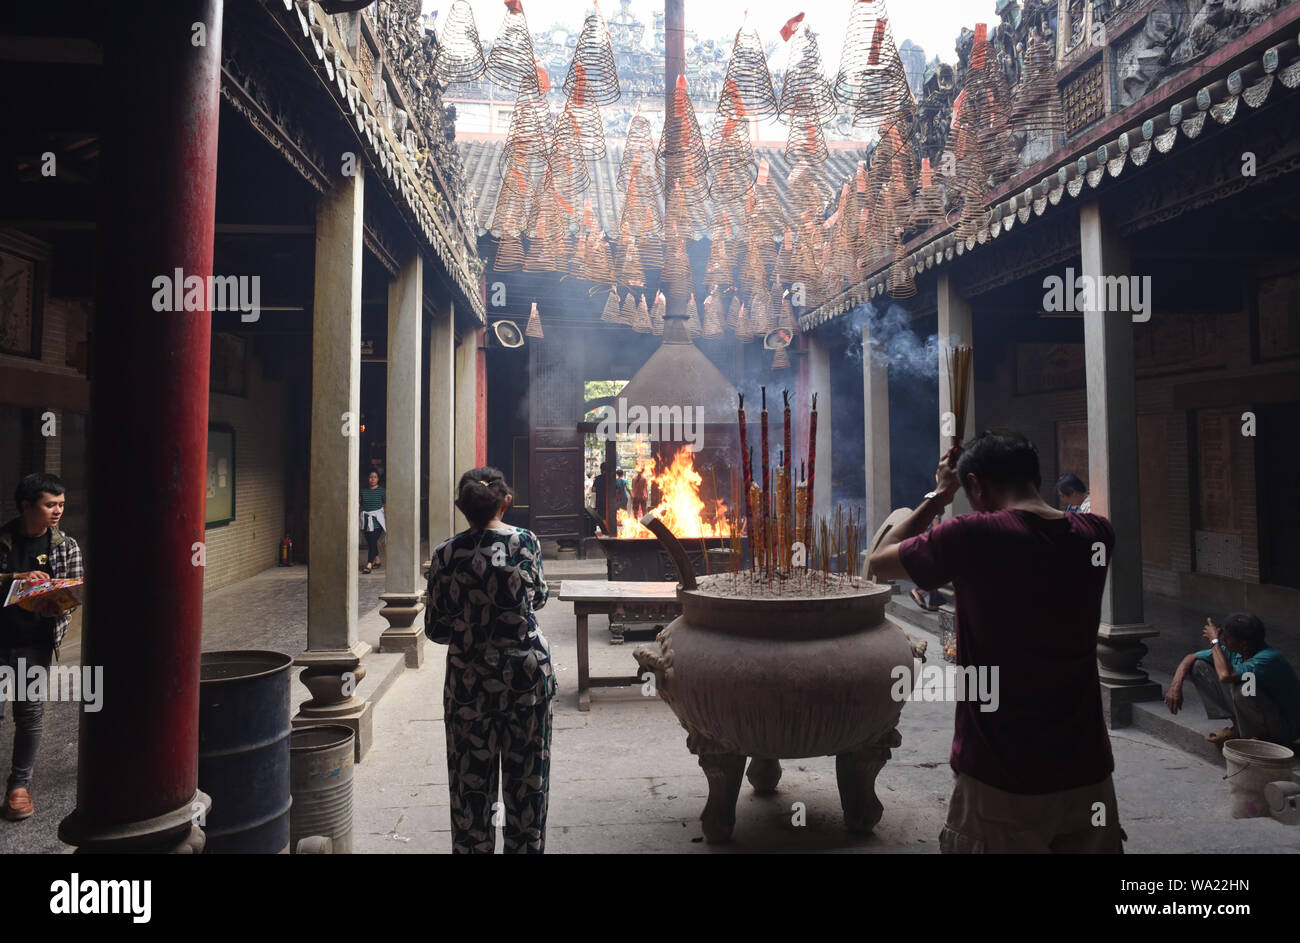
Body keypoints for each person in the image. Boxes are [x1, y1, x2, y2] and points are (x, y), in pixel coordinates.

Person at [870, 430, 1123, 853]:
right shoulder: (1097, 534)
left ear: (976, 487)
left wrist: (938, 494)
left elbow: (878, 562)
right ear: (1036, 478)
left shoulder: (974, 536)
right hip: (1087, 769)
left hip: (999, 772)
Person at [424, 467, 555, 853]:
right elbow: (540, 598)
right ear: (506, 503)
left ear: (460, 506)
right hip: (527, 680)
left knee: (470, 787)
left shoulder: (446, 554)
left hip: (469, 687)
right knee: (528, 782)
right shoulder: (525, 542)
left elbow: (435, 629)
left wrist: (470, 630)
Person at [0, 473, 84, 821]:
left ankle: (19, 787)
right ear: (26, 506)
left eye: (61, 505)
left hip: (34, 642)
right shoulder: (3, 540)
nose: (58, 511)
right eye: (50, 504)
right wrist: (13, 579)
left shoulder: (67, 546)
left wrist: (60, 603)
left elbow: (76, 591)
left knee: (29, 714)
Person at [1165, 613, 1300, 747]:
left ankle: (1261, 739)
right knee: (1199, 666)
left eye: (1226, 639)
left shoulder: (1269, 658)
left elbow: (1226, 675)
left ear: (1244, 644)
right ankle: (1238, 728)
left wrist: (1214, 641)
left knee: (1244, 687)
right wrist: (1175, 686)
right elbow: (1191, 657)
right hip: (1261, 715)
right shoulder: (1238, 650)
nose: (1223, 641)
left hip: (1282, 728)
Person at [360, 470, 385, 573]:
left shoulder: (382, 491)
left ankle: (369, 564)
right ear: (368, 478)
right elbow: (360, 504)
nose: (372, 479)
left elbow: (386, 505)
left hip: (377, 520)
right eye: (371, 477)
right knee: (370, 542)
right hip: (366, 520)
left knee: (372, 541)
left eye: (375, 477)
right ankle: (377, 560)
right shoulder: (363, 491)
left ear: (378, 479)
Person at [592, 462, 608, 531]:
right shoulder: (610, 478)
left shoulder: (598, 478)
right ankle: (608, 529)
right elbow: (616, 490)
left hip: (600, 501)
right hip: (609, 501)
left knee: (601, 516)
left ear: (601, 469)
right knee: (608, 516)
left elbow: (593, 489)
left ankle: (604, 530)